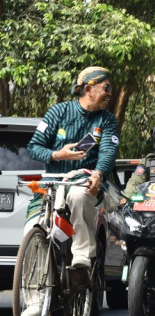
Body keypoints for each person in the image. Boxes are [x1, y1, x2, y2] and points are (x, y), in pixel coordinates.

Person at [25, 67, 121, 282]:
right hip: (54, 181)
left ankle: (82, 253)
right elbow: (33, 147)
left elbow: (107, 152)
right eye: (106, 88)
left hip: (86, 180)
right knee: (32, 229)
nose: (110, 94)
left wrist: (98, 174)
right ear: (88, 88)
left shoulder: (107, 120)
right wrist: (58, 154)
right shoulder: (58, 112)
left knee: (78, 195)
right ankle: (35, 299)